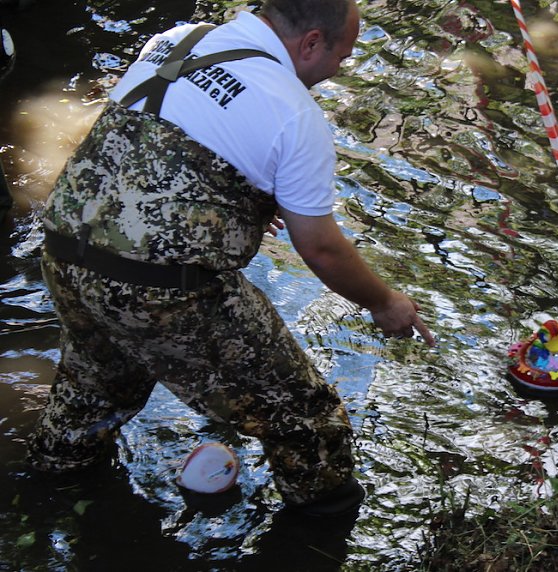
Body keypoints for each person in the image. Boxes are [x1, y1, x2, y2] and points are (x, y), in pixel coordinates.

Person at [27, 0, 434, 518]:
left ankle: (43, 498)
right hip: (160, 288)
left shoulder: (177, 39)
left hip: (65, 249)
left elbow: (150, 145)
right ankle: (318, 534)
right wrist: (384, 302)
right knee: (307, 418)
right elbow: (320, 246)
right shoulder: (294, 112)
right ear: (311, 42)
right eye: (342, 55)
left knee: (94, 388)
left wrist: (227, 205)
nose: (338, 71)